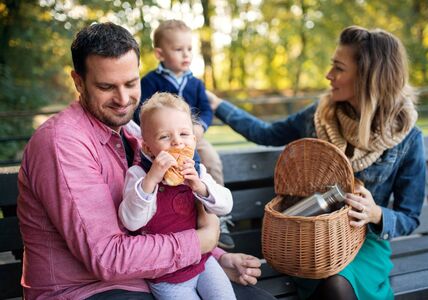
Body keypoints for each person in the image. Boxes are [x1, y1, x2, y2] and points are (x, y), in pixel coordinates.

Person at [17, 22, 275, 300]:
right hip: (85, 291)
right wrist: (203, 241)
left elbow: (164, 218)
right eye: (106, 86)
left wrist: (216, 256)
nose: (123, 99)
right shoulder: (62, 144)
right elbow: (107, 258)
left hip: (158, 276)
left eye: (131, 83)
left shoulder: (135, 133)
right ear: (78, 82)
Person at [208, 25, 426, 300]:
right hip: (311, 240)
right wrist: (217, 105)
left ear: (367, 78)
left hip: (363, 244)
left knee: (338, 284)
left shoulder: (406, 136)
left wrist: (377, 214)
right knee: (331, 282)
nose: (328, 75)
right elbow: (266, 133)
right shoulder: (319, 115)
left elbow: (410, 216)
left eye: (338, 68)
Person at [119, 92, 235, 299]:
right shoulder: (138, 175)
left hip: (203, 262)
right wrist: (151, 180)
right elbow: (131, 222)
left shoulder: (196, 171)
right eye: (164, 136)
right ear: (148, 147)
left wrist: (200, 187)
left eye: (184, 134)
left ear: (193, 137)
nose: (177, 143)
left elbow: (225, 206)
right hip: (166, 275)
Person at [134, 19, 235, 250]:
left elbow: (207, 110)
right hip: (164, 144)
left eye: (189, 49)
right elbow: (142, 114)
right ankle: (170, 219)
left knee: (210, 161)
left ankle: (218, 217)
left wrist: (201, 127)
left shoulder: (195, 83)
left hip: (194, 137)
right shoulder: (150, 82)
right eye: (178, 49)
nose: (186, 54)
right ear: (160, 53)